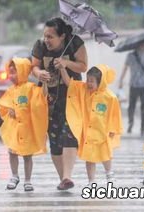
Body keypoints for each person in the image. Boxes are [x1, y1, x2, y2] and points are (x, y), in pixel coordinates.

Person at [31, 17, 88, 190]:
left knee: (69, 134)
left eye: (50, 36)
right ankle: (63, 178)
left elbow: (83, 66)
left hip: (72, 96)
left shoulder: (75, 43)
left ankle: (67, 176)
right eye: (45, 36)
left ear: (62, 36)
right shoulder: (40, 46)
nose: (46, 40)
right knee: (54, 139)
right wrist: (39, 73)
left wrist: (66, 63)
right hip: (49, 98)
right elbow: (33, 67)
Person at [61, 64, 123, 185]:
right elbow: (70, 83)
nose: (88, 83)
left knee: (106, 154)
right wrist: (62, 68)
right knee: (89, 158)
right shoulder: (83, 89)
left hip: (103, 132)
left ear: (100, 82)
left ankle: (109, 173)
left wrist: (112, 128)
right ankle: (91, 181)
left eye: (92, 81)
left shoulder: (110, 97)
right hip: (88, 133)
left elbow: (115, 115)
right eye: (87, 80)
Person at [0, 58, 48, 192]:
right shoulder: (10, 90)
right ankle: (14, 176)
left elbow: (39, 101)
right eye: (10, 72)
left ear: (24, 72)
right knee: (12, 152)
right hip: (14, 128)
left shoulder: (31, 88)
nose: (11, 76)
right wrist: (9, 109)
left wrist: (44, 84)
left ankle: (27, 180)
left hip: (27, 128)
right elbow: (3, 104)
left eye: (15, 72)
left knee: (27, 155)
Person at [118, 42, 144, 136]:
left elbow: (125, 68)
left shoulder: (131, 55)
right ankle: (137, 125)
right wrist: (121, 80)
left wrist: (121, 80)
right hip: (140, 85)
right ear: (139, 45)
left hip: (137, 85)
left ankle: (137, 125)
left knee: (135, 106)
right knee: (139, 107)